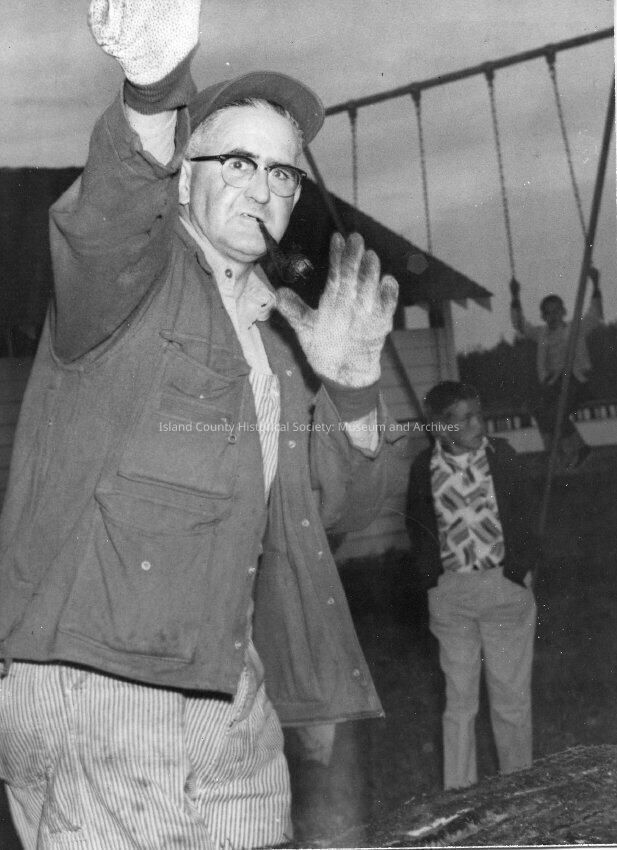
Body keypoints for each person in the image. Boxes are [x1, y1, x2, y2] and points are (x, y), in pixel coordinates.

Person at [0, 2, 404, 847]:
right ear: (184, 177)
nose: (264, 187)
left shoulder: (277, 335)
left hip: (225, 684)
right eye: (238, 161)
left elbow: (337, 513)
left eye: (283, 173)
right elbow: (108, 215)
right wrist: (153, 93)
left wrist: (352, 388)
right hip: (97, 680)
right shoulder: (128, 283)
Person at [406, 381, 540, 790]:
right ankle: (459, 795)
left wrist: (520, 571)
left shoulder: (502, 456)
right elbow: (418, 528)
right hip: (453, 597)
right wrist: (434, 582)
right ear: (439, 427)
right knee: (460, 702)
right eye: (464, 419)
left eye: (478, 415)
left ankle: (518, 789)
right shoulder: (424, 468)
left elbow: (526, 513)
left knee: (510, 699)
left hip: (502, 589)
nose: (478, 425)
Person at [510, 271, 603, 468]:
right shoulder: (541, 334)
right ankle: (557, 453)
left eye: (556, 311)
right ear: (543, 316)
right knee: (540, 411)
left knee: (554, 414)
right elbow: (520, 325)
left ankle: (575, 450)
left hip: (576, 382)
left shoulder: (576, 328)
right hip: (554, 385)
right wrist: (515, 296)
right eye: (548, 313)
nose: (553, 316)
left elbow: (595, 315)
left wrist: (595, 284)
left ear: (564, 312)